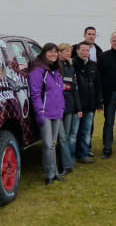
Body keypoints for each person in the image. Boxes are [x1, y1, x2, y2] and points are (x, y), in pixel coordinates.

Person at [29, 43, 66, 185]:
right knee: (47, 144)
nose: (53, 54)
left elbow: (60, 91)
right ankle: (49, 173)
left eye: (55, 52)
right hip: (45, 113)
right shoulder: (38, 70)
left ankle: (54, 171)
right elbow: (35, 94)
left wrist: (62, 108)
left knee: (52, 143)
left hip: (57, 112)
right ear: (44, 53)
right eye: (50, 52)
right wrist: (40, 112)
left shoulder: (56, 70)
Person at [72, 42, 102, 164]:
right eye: (82, 50)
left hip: (90, 105)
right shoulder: (72, 65)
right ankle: (71, 156)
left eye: (87, 51)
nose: (85, 53)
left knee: (86, 131)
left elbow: (98, 85)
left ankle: (83, 154)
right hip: (76, 105)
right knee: (73, 133)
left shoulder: (93, 65)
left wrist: (99, 102)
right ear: (77, 51)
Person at [57, 43, 80, 174]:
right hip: (58, 106)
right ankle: (65, 164)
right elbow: (61, 86)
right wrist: (66, 86)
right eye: (66, 51)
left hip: (70, 106)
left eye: (70, 51)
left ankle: (66, 164)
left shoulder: (71, 67)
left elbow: (73, 88)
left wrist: (78, 107)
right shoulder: (56, 66)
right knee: (61, 137)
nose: (69, 53)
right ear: (60, 52)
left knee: (65, 136)